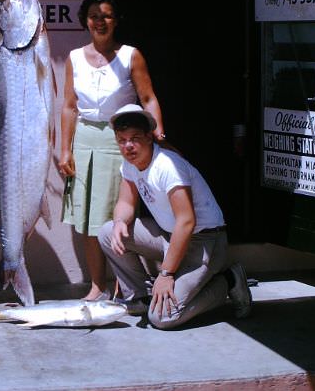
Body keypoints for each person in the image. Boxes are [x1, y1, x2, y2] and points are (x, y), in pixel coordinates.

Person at [98, 104, 252, 330]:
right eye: (122, 140)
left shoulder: (168, 165)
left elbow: (186, 221)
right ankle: (140, 298)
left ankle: (229, 280)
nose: (128, 146)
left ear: (150, 137)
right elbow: (125, 202)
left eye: (135, 138)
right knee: (107, 232)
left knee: (163, 318)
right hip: (170, 236)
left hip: (204, 242)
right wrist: (120, 222)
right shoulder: (130, 164)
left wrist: (166, 274)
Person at [58, 0, 166, 301]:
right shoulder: (75, 58)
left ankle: (126, 285)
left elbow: (148, 98)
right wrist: (65, 149)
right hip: (84, 140)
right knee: (88, 218)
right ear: (85, 21)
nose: (100, 21)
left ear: (116, 21)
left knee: (115, 215)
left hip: (122, 140)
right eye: (94, 16)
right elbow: (68, 106)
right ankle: (97, 285)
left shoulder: (131, 55)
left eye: (106, 15)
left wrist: (156, 135)